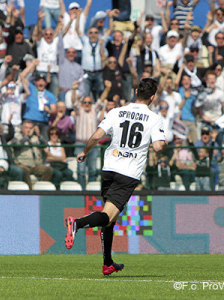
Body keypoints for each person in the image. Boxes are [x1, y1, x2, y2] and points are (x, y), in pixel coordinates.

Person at [65, 78, 167, 275]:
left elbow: (96, 136)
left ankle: (107, 262)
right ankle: (76, 223)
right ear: (152, 97)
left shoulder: (116, 111)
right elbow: (158, 146)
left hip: (109, 168)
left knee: (109, 219)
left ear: (136, 91)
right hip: (128, 173)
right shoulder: (154, 118)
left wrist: (85, 152)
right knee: (107, 216)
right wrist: (165, 142)